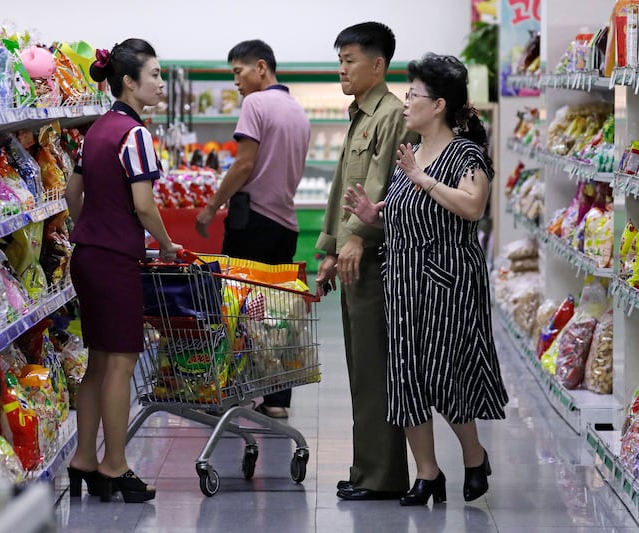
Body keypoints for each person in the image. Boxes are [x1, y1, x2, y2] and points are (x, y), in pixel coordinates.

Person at [342, 52, 509, 506]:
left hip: (448, 282)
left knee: (446, 375)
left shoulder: (465, 153)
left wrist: (420, 179)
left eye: (413, 95)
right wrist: (372, 216)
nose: (407, 101)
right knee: (406, 378)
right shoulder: (409, 153)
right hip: (403, 278)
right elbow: (406, 219)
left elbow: (473, 206)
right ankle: (428, 473)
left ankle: (474, 457)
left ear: (438, 105)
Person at [65, 38, 182, 503]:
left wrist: (91, 227)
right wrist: (168, 246)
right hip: (115, 261)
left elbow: (72, 195)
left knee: (97, 362)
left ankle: (83, 460)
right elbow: (144, 205)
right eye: (153, 74)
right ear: (129, 82)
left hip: (88, 256)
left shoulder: (96, 129)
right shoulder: (135, 135)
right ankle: (114, 464)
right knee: (121, 363)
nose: (159, 82)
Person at [314, 21, 416, 501]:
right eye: (339, 61)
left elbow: (383, 186)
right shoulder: (360, 115)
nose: (341, 70)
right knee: (359, 367)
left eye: (349, 60)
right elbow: (343, 189)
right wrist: (330, 248)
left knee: (376, 369)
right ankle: (365, 469)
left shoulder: (393, 114)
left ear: (378, 64)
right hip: (354, 258)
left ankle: (382, 476)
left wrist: (355, 241)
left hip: (376, 260)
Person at [195, 39, 310, 419]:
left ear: (261, 67)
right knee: (275, 314)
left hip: (252, 222)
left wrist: (211, 207)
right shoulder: (297, 110)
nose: (237, 82)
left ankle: (234, 391)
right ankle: (277, 400)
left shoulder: (255, 104)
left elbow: (244, 165)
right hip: (285, 225)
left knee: (239, 310)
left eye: (238, 72)